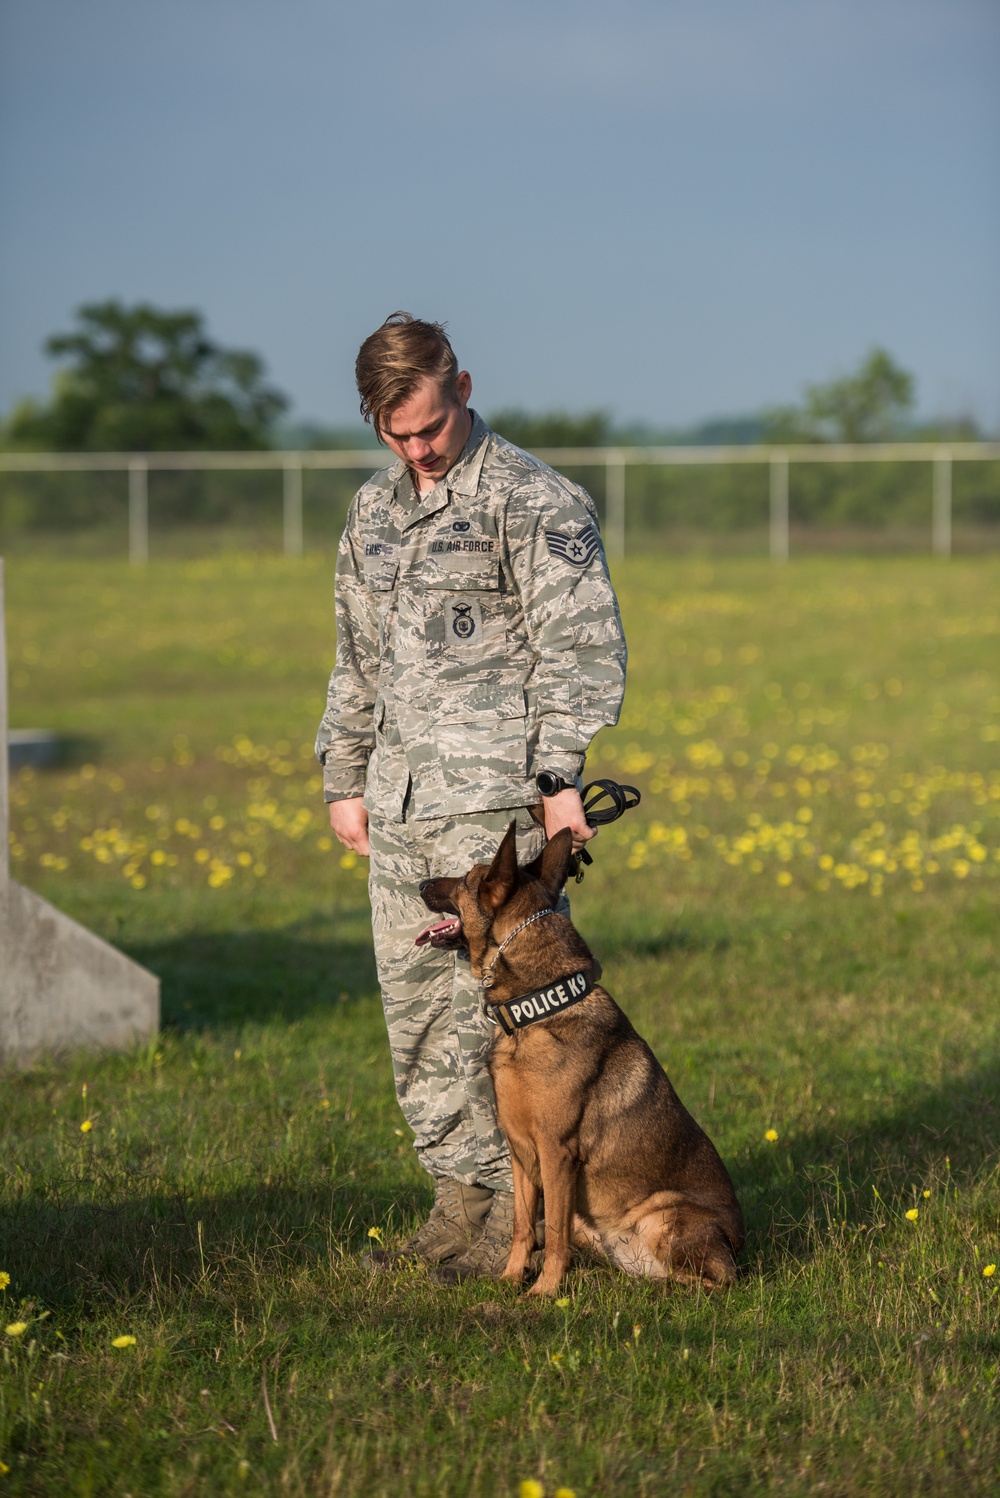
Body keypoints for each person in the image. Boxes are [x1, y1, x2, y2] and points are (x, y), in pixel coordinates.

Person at [315, 312, 626, 1277]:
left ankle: (518, 1218)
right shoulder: (373, 513)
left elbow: (577, 651)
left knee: (502, 1021)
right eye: (395, 435)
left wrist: (559, 781)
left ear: (463, 384)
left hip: (494, 816)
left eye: (430, 427)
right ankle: (456, 1203)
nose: (417, 449)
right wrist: (344, 777)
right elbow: (356, 658)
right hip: (401, 803)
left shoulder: (536, 500)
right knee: (415, 1018)